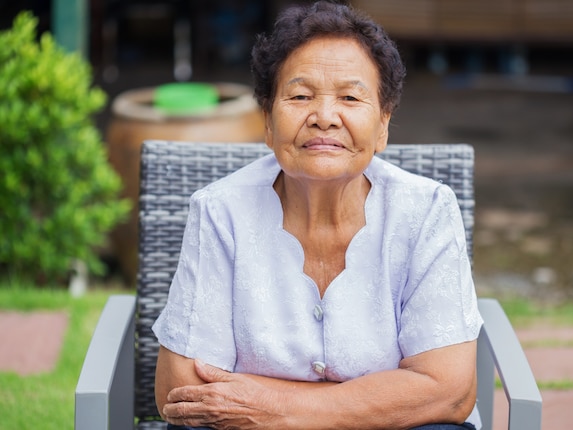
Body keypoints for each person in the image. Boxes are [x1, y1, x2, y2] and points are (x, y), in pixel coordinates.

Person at [152, 1, 483, 429]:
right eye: (301, 96)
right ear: (268, 122)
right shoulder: (220, 211)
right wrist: (387, 396)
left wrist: (275, 409)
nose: (324, 118)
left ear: (382, 124)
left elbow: (450, 391)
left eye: (349, 97)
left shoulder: (426, 211)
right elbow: (181, 392)